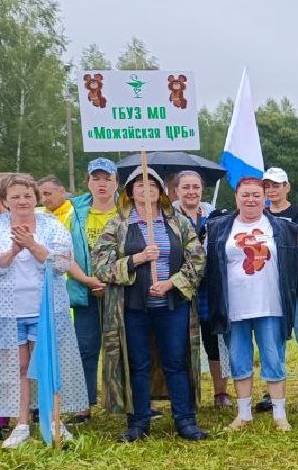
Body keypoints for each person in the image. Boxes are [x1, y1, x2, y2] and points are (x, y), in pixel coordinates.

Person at [0, 173, 89, 447]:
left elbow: (62, 262)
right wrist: (12, 250)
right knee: (19, 367)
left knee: (47, 366)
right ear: (6, 201)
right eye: (16, 196)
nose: (23, 201)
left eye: (28, 195)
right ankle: (21, 424)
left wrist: (32, 245)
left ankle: (54, 420)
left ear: (36, 197)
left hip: (45, 308)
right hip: (6, 312)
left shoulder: (52, 224)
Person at [91, 167, 208, 442]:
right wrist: (138, 259)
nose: (147, 190)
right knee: (138, 364)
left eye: (152, 185)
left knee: (176, 362)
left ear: (161, 192)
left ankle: (185, 419)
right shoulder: (117, 225)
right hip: (133, 308)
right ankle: (138, 421)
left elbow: (197, 259)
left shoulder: (177, 223)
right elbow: (100, 266)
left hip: (172, 305)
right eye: (140, 185)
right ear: (131, 192)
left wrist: (171, 283)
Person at [201, 175, 298, 433]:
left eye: (256, 194)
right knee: (238, 360)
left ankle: (280, 414)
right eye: (245, 194)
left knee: (273, 358)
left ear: (264, 196)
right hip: (234, 306)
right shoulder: (219, 227)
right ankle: (243, 414)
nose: (251, 199)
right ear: (236, 197)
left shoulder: (282, 227)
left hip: (270, 304)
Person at [170, 170, 231, 408]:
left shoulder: (214, 215)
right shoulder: (168, 216)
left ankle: (220, 392)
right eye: (186, 187)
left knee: (214, 338)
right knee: (182, 340)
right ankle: (188, 394)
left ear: (202, 189)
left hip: (210, 287)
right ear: (176, 191)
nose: (191, 192)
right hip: (180, 285)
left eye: (195, 187)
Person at [64, 158, 119, 419]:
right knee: (85, 348)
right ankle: (83, 404)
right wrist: (87, 280)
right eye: (96, 178)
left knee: (123, 348)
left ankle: (121, 401)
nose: (102, 184)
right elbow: (65, 253)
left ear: (116, 183)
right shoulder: (73, 212)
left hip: (119, 291)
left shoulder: (128, 210)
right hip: (84, 291)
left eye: (107, 179)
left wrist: (110, 280)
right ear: (88, 182)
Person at [259, 167, 298, 414]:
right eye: (268, 186)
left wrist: (267, 239)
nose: (272, 189)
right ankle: (273, 394)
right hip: (270, 286)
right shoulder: (259, 213)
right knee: (274, 341)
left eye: (276, 185)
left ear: (287, 187)